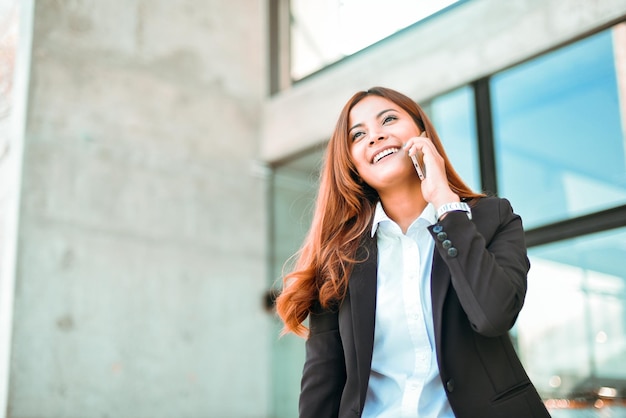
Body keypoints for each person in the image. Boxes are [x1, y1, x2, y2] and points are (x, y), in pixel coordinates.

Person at [275, 86, 551, 418]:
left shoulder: (492, 218)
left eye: (388, 119)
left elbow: (494, 315)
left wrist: (446, 205)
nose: (375, 137)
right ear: (351, 164)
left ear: (422, 132)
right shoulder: (339, 256)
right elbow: (323, 376)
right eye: (358, 135)